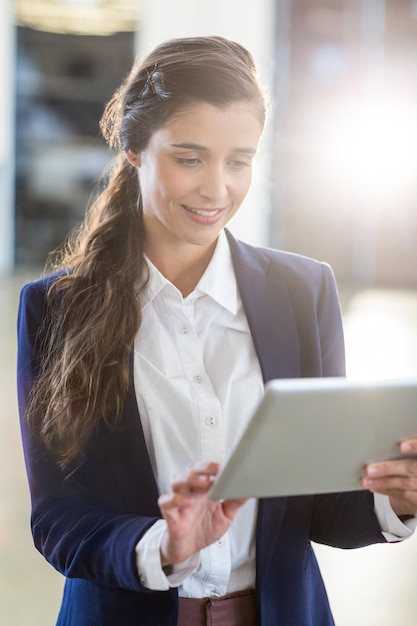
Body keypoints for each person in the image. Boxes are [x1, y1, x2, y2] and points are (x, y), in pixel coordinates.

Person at [17, 35, 417, 626]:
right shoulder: (55, 308)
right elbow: (59, 519)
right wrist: (163, 545)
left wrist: (396, 498)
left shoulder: (303, 292)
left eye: (239, 160)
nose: (217, 189)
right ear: (133, 150)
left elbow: (324, 506)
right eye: (188, 157)